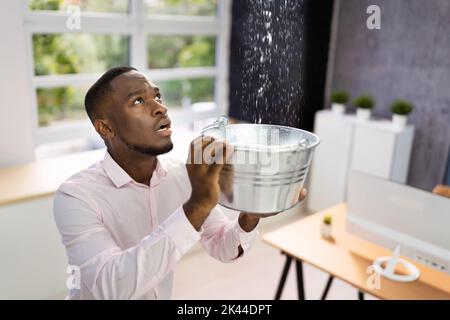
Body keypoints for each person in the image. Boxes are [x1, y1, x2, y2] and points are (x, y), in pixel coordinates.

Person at [53, 66, 306, 300]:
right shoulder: (76, 196)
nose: (160, 108)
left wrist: (249, 217)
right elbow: (110, 288)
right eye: (138, 101)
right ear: (105, 128)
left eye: (158, 97)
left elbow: (222, 245)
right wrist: (197, 205)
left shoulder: (181, 175)